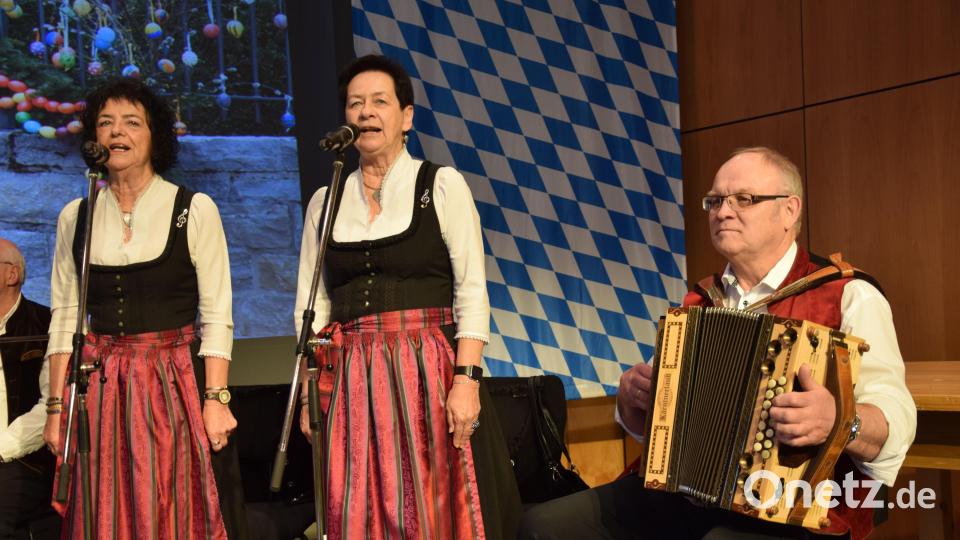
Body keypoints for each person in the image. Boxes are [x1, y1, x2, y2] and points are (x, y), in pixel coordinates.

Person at [519, 147, 917, 539]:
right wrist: (632, 403)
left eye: (744, 199)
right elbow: (662, 427)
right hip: (688, 497)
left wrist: (839, 421)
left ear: (790, 210)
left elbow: (896, 420)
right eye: (715, 201)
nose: (723, 211)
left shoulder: (848, 295)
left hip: (799, 504)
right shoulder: (700, 301)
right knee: (544, 527)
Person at [294, 54, 522, 539]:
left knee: (436, 503)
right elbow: (311, 308)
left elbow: (471, 291)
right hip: (353, 377)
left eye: (380, 101)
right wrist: (308, 391)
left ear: (407, 117)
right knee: (361, 504)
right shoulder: (326, 199)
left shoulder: (440, 185)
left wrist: (466, 380)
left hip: (428, 371)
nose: (366, 112)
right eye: (356, 104)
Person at [42, 78, 247, 539]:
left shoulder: (192, 209)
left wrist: (215, 400)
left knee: (175, 509)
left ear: (155, 136)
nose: (117, 133)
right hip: (102, 389)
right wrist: (57, 408)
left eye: (131, 123)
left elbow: (216, 315)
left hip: (173, 382)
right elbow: (65, 317)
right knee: (106, 514)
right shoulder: (76, 216)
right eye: (106, 123)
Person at [0, 238, 59, 539]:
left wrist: (3, 447)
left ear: (12, 275)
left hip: (23, 458)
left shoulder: (46, 325)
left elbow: (52, 404)